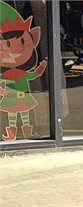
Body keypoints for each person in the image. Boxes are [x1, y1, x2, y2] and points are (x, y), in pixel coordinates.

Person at [0, 0, 47, 140]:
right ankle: (12, 134)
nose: (18, 48)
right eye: (8, 44)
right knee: (13, 115)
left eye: (22, 42)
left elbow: (34, 75)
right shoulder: (7, 74)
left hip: (22, 96)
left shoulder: (22, 73)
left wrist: (43, 66)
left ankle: (26, 133)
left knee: (24, 114)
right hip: (10, 97)